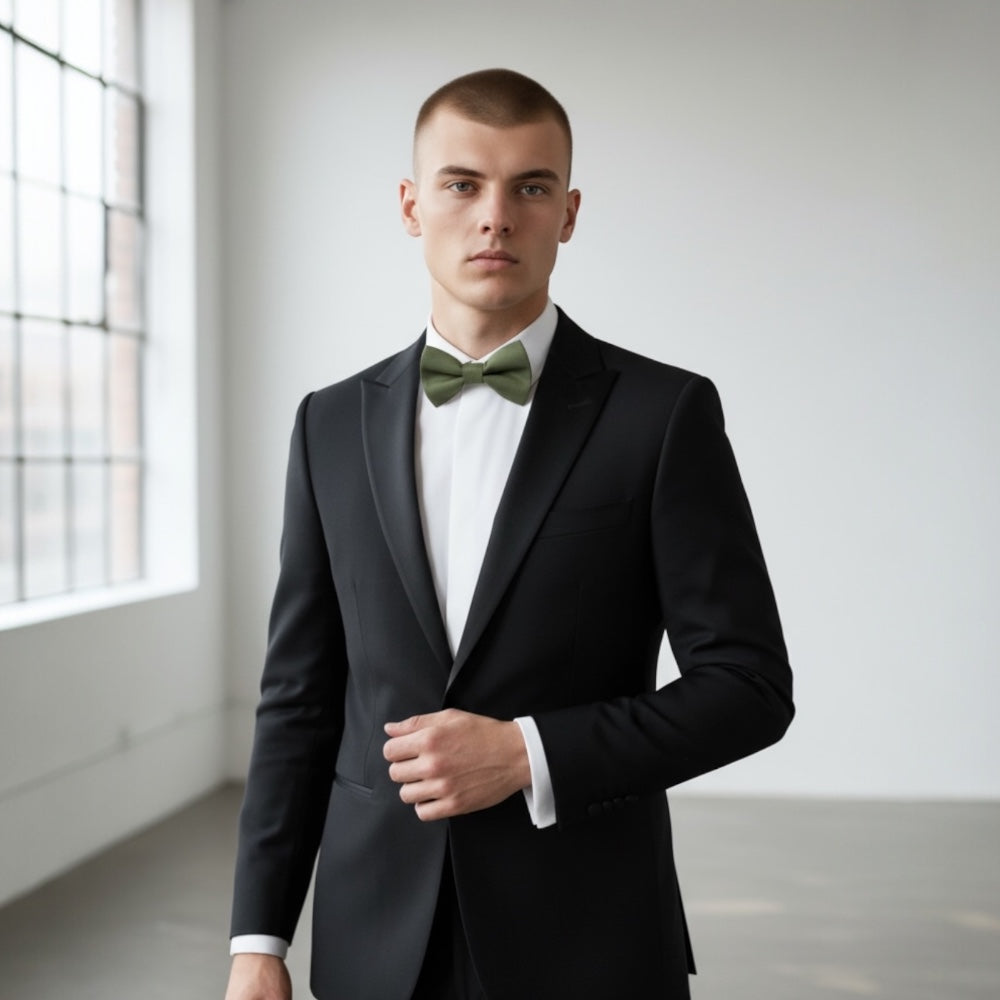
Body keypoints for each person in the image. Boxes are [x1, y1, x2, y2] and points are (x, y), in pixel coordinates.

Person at [225, 68, 793, 1000]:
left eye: (530, 187)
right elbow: (299, 698)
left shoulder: (663, 414)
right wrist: (260, 938)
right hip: (371, 943)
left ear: (567, 213)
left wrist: (528, 752)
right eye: (462, 185)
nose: (495, 217)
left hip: (589, 938)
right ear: (412, 206)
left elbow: (749, 687)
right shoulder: (326, 424)